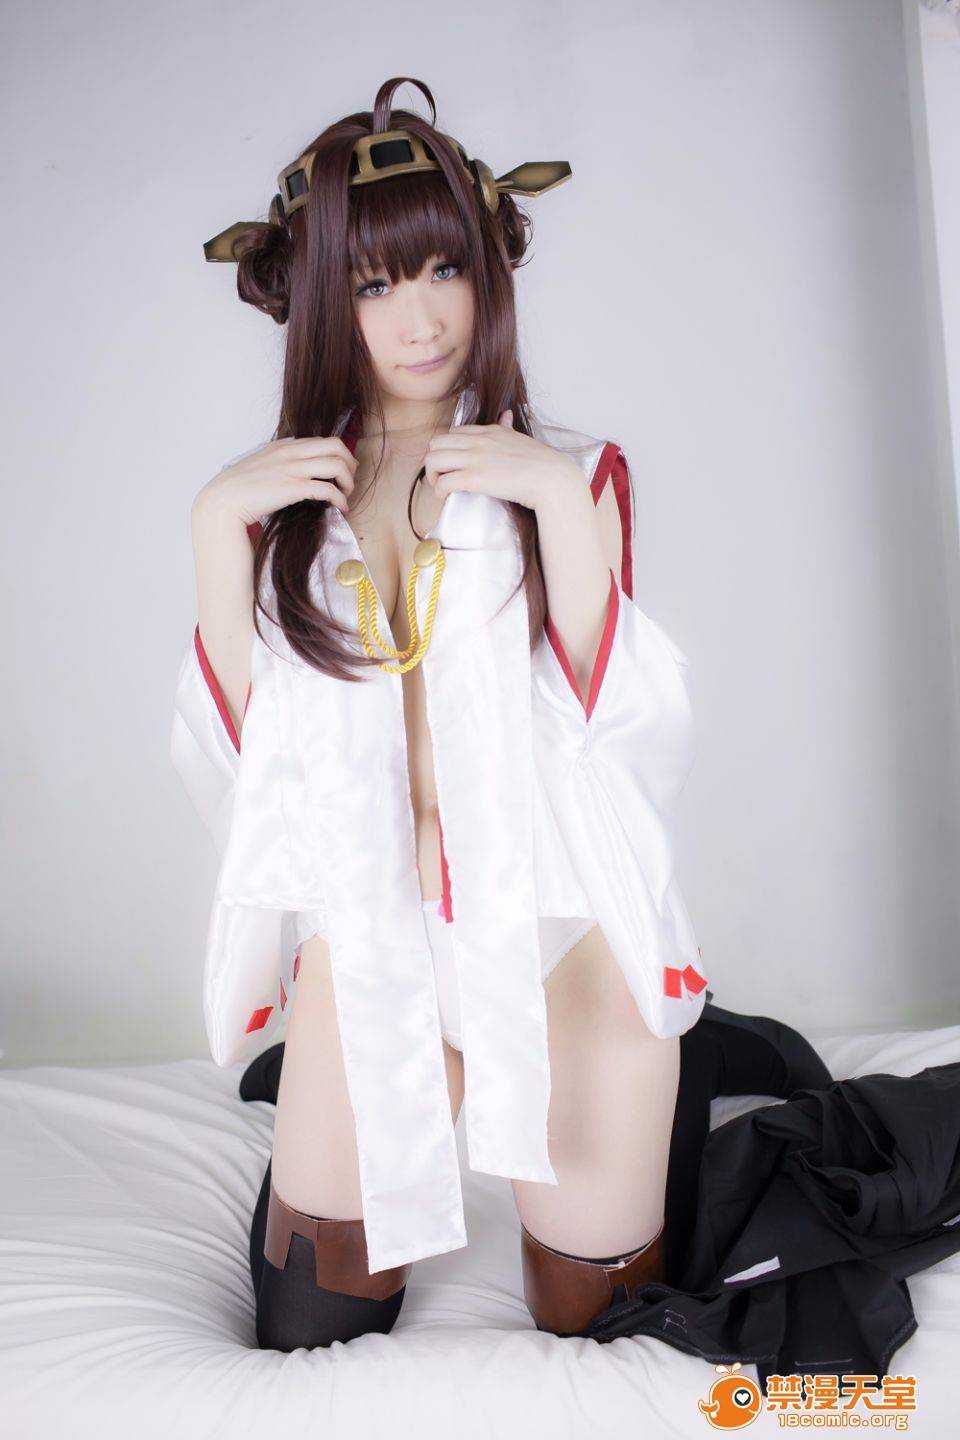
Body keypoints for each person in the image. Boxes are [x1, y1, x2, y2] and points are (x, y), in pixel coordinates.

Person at [171, 74, 830, 1352]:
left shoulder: (567, 477)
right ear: (321, 301)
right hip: (373, 945)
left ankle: (694, 1055)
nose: (421, 318)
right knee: (310, 1320)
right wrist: (213, 527)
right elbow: (247, 772)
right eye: (374, 284)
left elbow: (620, 726)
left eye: (444, 269)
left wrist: (558, 504)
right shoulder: (279, 507)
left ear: (488, 268)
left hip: (557, 944)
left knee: (594, 1316)